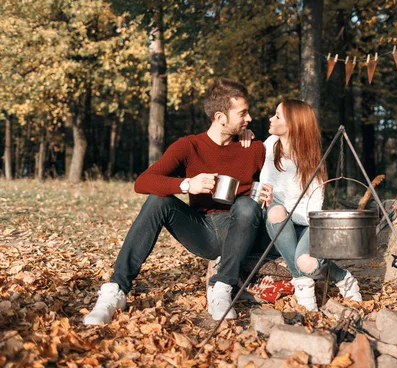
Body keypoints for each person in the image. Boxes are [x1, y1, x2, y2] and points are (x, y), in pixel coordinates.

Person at [83, 78, 272, 325]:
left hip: (237, 228)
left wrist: (269, 195)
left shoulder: (254, 148)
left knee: (247, 205)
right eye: (243, 113)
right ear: (220, 117)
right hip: (200, 229)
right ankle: (115, 291)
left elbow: (274, 179)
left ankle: (222, 287)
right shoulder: (189, 146)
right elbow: (142, 182)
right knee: (157, 201)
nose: (249, 119)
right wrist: (186, 184)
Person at [259, 99, 362, 311]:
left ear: (293, 125)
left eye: (277, 116)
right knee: (277, 210)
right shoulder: (269, 145)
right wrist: (244, 137)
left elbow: (314, 210)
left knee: (306, 262)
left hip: (308, 222)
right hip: (279, 221)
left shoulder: (311, 159)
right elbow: (243, 159)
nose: (271, 118)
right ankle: (303, 285)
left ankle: (341, 276)